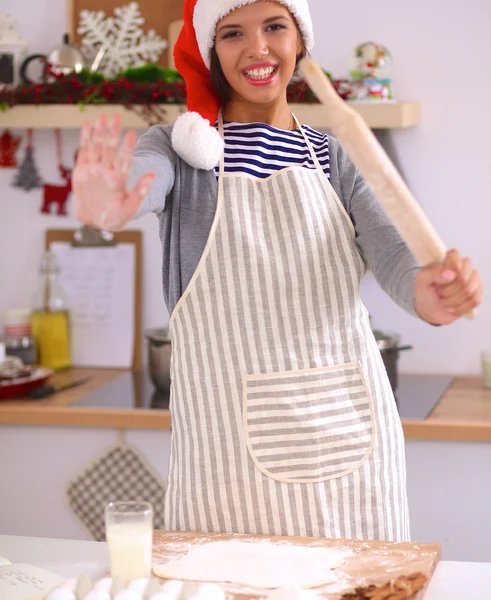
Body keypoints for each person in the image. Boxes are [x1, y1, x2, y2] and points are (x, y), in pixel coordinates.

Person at [73, 0, 483, 542]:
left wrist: (429, 294)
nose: (257, 48)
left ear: (300, 42)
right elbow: (137, 186)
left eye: (274, 27)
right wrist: (111, 206)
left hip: (349, 446)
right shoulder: (178, 153)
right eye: (233, 33)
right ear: (212, 52)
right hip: (223, 459)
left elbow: (394, 256)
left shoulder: (335, 156)